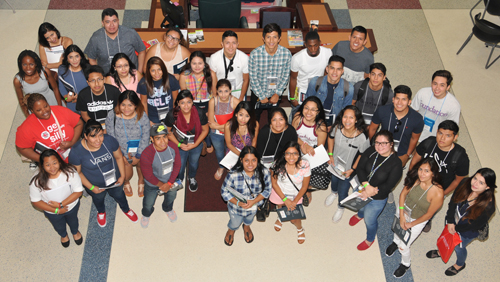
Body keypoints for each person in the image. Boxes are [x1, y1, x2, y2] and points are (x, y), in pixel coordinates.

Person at [426, 168, 496, 277]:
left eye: (481, 183)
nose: (475, 184)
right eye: (475, 178)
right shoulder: (465, 183)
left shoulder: (488, 206)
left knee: (459, 247)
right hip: (453, 220)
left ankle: (460, 264)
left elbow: (475, 225)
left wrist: (456, 230)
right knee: (447, 237)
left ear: (488, 187)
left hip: (466, 231)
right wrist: (450, 221)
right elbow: (453, 201)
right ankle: (442, 252)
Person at [68, 120, 139, 227]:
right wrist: (91, 188)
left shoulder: (109, 140)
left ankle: (126, 209)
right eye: (93, 136)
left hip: (115, 179)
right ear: (85, 136)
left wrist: (122, 176)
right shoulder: (76, 151)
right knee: (98, 199)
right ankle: (101, 212)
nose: (98, 140)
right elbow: (77, 173)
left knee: (120, 195)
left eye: (100, 135)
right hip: (95, 184)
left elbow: (119, 157)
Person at [386, 158, 444, 278]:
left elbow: (428, 215)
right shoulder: (415, 179)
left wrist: (410, 224)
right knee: (397, 229)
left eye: (426, 171)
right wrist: (402, 216)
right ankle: (395, 242)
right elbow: (402, 194)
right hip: (404, 209)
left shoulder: (438, 193)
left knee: (404, 246)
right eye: (420, 169)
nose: (422, 173)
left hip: (417, 220)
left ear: (433, 173)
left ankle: (405, 264)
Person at [409, 120, 469, 232]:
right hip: (420, 182)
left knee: (429, 208)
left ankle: (428, 218)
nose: (442, 138)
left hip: (438, 189)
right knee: (412, 200)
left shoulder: (460, 157)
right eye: (440, 133)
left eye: (448, 135)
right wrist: (412, 180)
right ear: (436, 132)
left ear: (455, 137)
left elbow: (458, 181)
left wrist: (442, 194)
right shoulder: (429, 143)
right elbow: (414, 161)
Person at [349, 130, 403, 250]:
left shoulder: (396, 164)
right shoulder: (372, 150)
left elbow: (388, 186)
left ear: (391, 144)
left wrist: (371, 192)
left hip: (377, 196)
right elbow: (360, 168)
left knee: (370, 220)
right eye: (377, 143)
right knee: (360, 206)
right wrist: (366, 186)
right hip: (363, 187)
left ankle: (370, 239)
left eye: (384, 143)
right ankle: (360, 215)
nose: (379, 146)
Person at [29, 149, 84, 248]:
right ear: (42, 165)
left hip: (71, 206)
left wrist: (60, 205)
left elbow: (78, 192)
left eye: (54, 163)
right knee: (58, 226)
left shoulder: (70, 171)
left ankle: (75, 232)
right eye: (47, 165)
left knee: (73, 221)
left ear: (59, 161)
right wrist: (57, 210)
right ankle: (64, 235)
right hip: (51, 211)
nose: (52, 167)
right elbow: (36, 201)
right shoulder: (36, 180)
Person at [325, 105, 370, 223]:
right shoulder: (337, 128)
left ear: (356, 120)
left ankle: (341, 207)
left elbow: (363, 155)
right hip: (335, 164)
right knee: (334, 181)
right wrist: (330, 154)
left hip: (349, 169)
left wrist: (353, 169)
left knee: (343, 190)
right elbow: (330, 138)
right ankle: (333, 193)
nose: (347, 120)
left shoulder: (362, 137)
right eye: (345, 117)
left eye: (351, 118)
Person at [221, 146, 272, 246]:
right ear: (241, 160)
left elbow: (267, 190)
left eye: (253, 160)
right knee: (235, 221)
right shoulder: (233, 174)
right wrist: (238, 203)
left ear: (258, 160)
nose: (250, 164)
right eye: (246, 160)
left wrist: (254, 201)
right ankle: (232, 229)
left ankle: (246, 226)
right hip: (236, 207)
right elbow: (224, 192)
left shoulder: (264, 172)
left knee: (250, 218)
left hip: (255, 205)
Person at [105, 90, 150, 197]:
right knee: (126, 175)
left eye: (130, 105)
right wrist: (122, 156)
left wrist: (139, 155)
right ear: (119, 104)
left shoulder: (142, 115)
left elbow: (146, 136)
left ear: (135, 105)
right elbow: (112, 138)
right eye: (123, 105)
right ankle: (126, 182)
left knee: (142, 167)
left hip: (140, 149)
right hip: (121, 152)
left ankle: (141, 181)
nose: (126, 108)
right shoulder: (112, 116)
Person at [16, 94, 83, 164]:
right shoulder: (27, 126)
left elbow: (79, 123)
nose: (44, 111)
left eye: (46, 106)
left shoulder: (61, 111)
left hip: (75, 155)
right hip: (52, 166)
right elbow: (21, 148)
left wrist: (72, 142)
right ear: (32, 111)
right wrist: (43, 159)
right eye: (39, 110)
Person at [164, 90, 209, 192]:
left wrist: (196, 144)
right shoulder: (172, 114)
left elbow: (206, 130)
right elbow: (168, 131)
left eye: (189, 102)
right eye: (182, 103)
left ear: (193, 102)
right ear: (178, 103)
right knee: (180, 164)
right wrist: (179, 144)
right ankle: (179, 179)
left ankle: (191, 177)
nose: (186, 106)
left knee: (194, 163)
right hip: (180, 144)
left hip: (196, 144)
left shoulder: (199, 113)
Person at [369, 85, 424, 167]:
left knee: (393, 176)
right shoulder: (382, 111)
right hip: (381, 149)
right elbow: (372, 129)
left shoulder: (417, 119)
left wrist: (407, 155)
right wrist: (373, 146)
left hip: (401, 153)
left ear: (409, 102)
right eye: (397, 98)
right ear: (393, 99)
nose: (399, 103)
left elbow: (414, 138)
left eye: (404, 99)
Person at [139, 123, 181, 228]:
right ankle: (146, 214)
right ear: (152, 139)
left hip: (170, 180)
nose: (162, 141)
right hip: (153, 184)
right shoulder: (147, 154)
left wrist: (169, 183)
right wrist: (162, 185)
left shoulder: (173, 147)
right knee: (148, 202)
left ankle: (167, 208)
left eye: (164, 137)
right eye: (158, 138)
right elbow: (148, 175)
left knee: (171, 196)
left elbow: (177, 165)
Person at [249, 23, 292, 121]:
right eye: (268, 37)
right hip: (258, 93)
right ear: (263, 38)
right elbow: (253, 78)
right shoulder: (255, 54)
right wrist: (261, 96)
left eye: (274, 37)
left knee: (274, 122)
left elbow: (285, 76)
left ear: (279, 38)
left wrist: (277, 93)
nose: (271, 41)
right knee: (253, 121)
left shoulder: (286, 54)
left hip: (275, 93)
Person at [270, 141, 310, 244]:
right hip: (280, 193)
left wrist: (294, 201)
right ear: (284, 154)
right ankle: (280, 217)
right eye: (288, 153)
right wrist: (285, 200)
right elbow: (274, 183)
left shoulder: (305, 165)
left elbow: (305, 186)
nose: (291, 157)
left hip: (296, 196)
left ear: (299, 154)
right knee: (281, 208)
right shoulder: (277, 163)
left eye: (295, 153)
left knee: (294, 219)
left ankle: (300, 229)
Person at [85, 8, 146, 74]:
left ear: (118, 21)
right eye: (108, 22)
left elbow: (142, 51)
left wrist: (139, 73)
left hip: (130, 75)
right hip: (108, 77)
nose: (112, 25)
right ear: (102, 23)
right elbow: (91, 59)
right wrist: (100, 76)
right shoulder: (96, 38)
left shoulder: (130, 33)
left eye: (114, 21)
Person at [288, 31, 331, 123]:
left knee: (316, 119)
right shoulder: (297, 58)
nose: (313, 49)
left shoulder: (328, 53)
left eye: (315, 45)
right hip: (302, 91)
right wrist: (292, 98)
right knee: (296, 119)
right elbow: (293, 78)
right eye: (310, 46)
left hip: (318, 91)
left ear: (320, 43)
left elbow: (328, 72)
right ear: (305, 44)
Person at [291, 96, 327, 201]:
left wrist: (307, 151)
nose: (308, 112)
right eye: (306, 108)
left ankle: (307, 187)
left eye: (313, 109)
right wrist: (303, 145)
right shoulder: (298, 117)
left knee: (308, 168)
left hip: (311, 152)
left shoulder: (321, 126)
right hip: (297, 146)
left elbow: (320, 150)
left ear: (318, 112)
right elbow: (292, 135)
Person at [411, 70, 460, 142]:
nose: (437, 88)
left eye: (442, 85)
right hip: (415, 134)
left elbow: (451, 128)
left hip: (435, 140)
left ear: (448, 87)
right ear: (431, 83)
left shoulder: (454, 105)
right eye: (435, 84)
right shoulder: (422, 93)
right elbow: (413, 112)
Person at [305, 55, 354, 127]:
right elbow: (307, 105)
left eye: (338, 69)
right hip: (314, 121)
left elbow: (346, 112)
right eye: (332, 68)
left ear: (342, 71)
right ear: (327, 69)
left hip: (335, 124)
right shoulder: (315, 82)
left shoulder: (348, 88)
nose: (335, 72)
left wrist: (335, 127)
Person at [208, 79, 240, 180]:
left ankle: (230, 164)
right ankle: (221, 167)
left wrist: (218, 126)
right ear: (216, 91)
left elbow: (239, 122)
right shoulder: (213, 101)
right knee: (219, 151)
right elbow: (211, 123)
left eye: (226, 91)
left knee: (231, 150)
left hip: (231, 132)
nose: (223, 94)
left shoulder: (235, 101)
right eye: (220, 91)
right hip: (216, 133)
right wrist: (222, 127)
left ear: (230, 90)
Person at [14, 50, 62, 117]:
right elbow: (21, 102)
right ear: (20, 64)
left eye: (31, 64)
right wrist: (29, 118)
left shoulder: (45, 71)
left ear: (36, 63)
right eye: (24, 64)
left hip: (52, 102)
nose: (28, 68)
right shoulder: (18, 80)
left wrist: (60, 107)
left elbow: (55, 88)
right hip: (36, 110)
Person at [76, 65, 121, 130]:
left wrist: (110, 127)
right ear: (88, 82)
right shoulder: (83, 95)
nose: (96, 84)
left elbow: (119, 111)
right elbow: (84, 115)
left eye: (99, 79)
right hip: (93, 127)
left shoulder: (114, 91)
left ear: (104, 79)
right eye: (93, 80)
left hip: (113, 125)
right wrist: (97, 128)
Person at [138, 57, 180, 124]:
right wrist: (147, 120)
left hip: (169, 114)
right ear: (148, 71)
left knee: (169, 133)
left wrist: (174, 116)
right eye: (153, 70)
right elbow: (144, 103)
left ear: (163, 69)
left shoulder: (171, 79)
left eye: (159, 69)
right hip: (153, 116)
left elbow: (175, 99)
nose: (157, 73)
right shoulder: (143, 83)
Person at [209, 30, 249, 101]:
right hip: (221, 93)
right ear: (222, 44)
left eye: (234, 43)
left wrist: (241, 98)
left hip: (238, 91)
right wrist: (215, 97)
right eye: (227, 43)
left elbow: (246, 80)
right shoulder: (214, 58)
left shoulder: (244, 58)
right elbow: (213, 80)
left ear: (237, 44)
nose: (231, 46)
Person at [58, 44, 90, 113]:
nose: (74, 60)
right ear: (67, 59)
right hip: (72, 105)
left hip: (88, 104)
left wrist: (80, 99)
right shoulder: (62, 70)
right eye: (71, 57)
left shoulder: (88, 69)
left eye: (77, 56)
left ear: (81, 57)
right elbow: (62, 88)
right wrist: (67, 98)